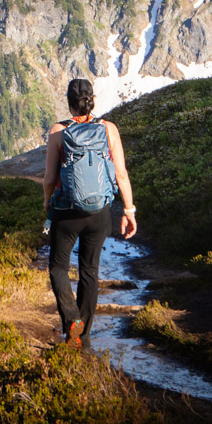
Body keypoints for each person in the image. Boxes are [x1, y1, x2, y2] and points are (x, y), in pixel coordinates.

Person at [43, 78, 137, 349]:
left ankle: (72, 319)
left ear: (69, 102)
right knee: (89, 271)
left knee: (58, 267)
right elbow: (121, 174)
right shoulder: (109, 128)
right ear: (92, 100)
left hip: (67, 212)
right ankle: (82, 340)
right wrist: (128, 210)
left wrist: (47, 202)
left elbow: (49, 178)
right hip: (99, 214)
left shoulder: (58, 131)